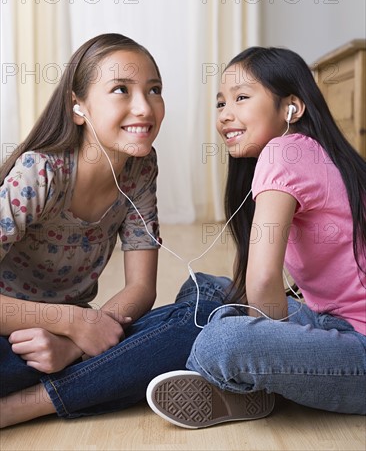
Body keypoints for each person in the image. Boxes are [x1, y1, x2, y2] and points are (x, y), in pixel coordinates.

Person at [0, 33, 231, 427]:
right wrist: (72, 324)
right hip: (14, 338)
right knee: (190, 337)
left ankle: (26, 404)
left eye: (154, 90)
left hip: (64, 343)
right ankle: (85, 383)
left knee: (205, 313)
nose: (144, 107)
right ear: (78, 107)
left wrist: (74, 345)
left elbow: (141, 288)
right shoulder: (38, 173)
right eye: (120, 90)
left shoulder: (139, 168)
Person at [146, 46, 366, 429]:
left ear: (291, 108)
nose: (225, 115)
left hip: (359, 348)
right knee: (207, 290)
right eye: (220, 103)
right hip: (334, 320)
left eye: (242, 98)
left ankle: (232, 382)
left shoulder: (284, 152)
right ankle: (238, 384)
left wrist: (262, 338)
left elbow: (264, 279)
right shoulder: (311, 151)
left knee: (223, 340)